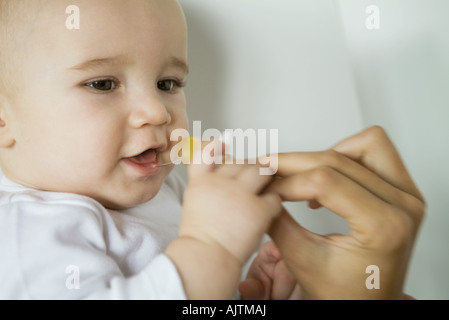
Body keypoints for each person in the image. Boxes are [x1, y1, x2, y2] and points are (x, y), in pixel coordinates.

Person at [0, 0, 425, 300]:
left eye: (168, 84)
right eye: (102, 84)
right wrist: (213, 248)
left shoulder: (169, 188)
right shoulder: (27, 230)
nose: (156, 112)